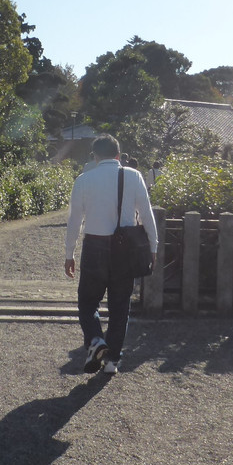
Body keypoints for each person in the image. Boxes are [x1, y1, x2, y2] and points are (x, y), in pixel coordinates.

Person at [64, 134, 158, 375]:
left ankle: (96, 340)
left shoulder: (84, 179)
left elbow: (75, 220)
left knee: (87, 302)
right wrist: (153, 247)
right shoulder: (134, 176)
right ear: (118, 155)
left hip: (94, 246)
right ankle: (112, 361)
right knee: (120, 306)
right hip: (125, 249)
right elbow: (146, 214)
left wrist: (69, 253)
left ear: (95, 157)